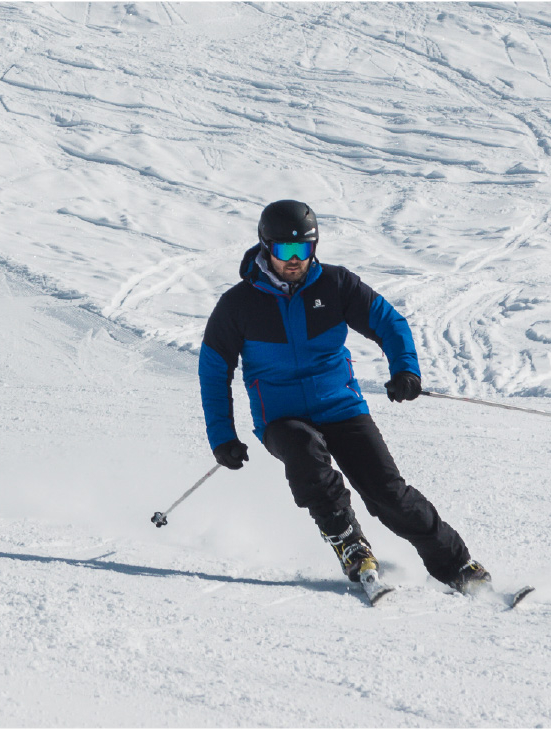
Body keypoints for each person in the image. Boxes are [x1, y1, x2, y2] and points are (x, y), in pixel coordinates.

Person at [198, 200, 491, 594]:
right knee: (304, 452)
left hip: (341, 407)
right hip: (281, 418)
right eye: (286, 251)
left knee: (390, 495)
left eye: (305, 249)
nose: (295, 260)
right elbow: (214, 370)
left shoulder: (336, 285)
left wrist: (405, 369)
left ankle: (458, 566)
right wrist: (222, 437)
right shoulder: (238, 304)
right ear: (266, 247)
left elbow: (389, 322)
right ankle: (348, 541)